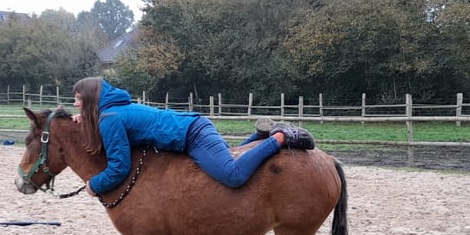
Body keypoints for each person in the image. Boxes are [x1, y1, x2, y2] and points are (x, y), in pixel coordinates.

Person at [72, 77, 315, 197]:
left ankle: (281, 137)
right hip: (190, 129)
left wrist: (95, 185)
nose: (75, 104)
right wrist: (83, 121)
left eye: (79, 99)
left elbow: (119, 166)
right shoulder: (113, 112)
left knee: (233, 175)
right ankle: (259, 137)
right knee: (223, 160)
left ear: (92, 100)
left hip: (192, 134)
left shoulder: (110, 119)